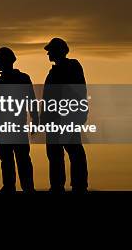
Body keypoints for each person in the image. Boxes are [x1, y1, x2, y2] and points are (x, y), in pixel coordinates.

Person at [0, 47, 39, 192]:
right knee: (6, 158)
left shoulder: (22, 79)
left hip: (17, 127)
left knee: (22, 159)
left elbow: (31, 101)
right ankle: (10, 186)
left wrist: (35, 120)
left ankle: (27, 187)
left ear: (5, 62)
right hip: (3, 128)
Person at [42, 38, 89, 193]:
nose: (48, 53)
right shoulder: (53, 72)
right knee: (54, 153)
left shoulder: (72, 66)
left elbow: (79, 91)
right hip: (54, 119)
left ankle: (79, 185)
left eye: (51, 50)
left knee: (74, 151)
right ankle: (57, 186)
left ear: (59, 51)